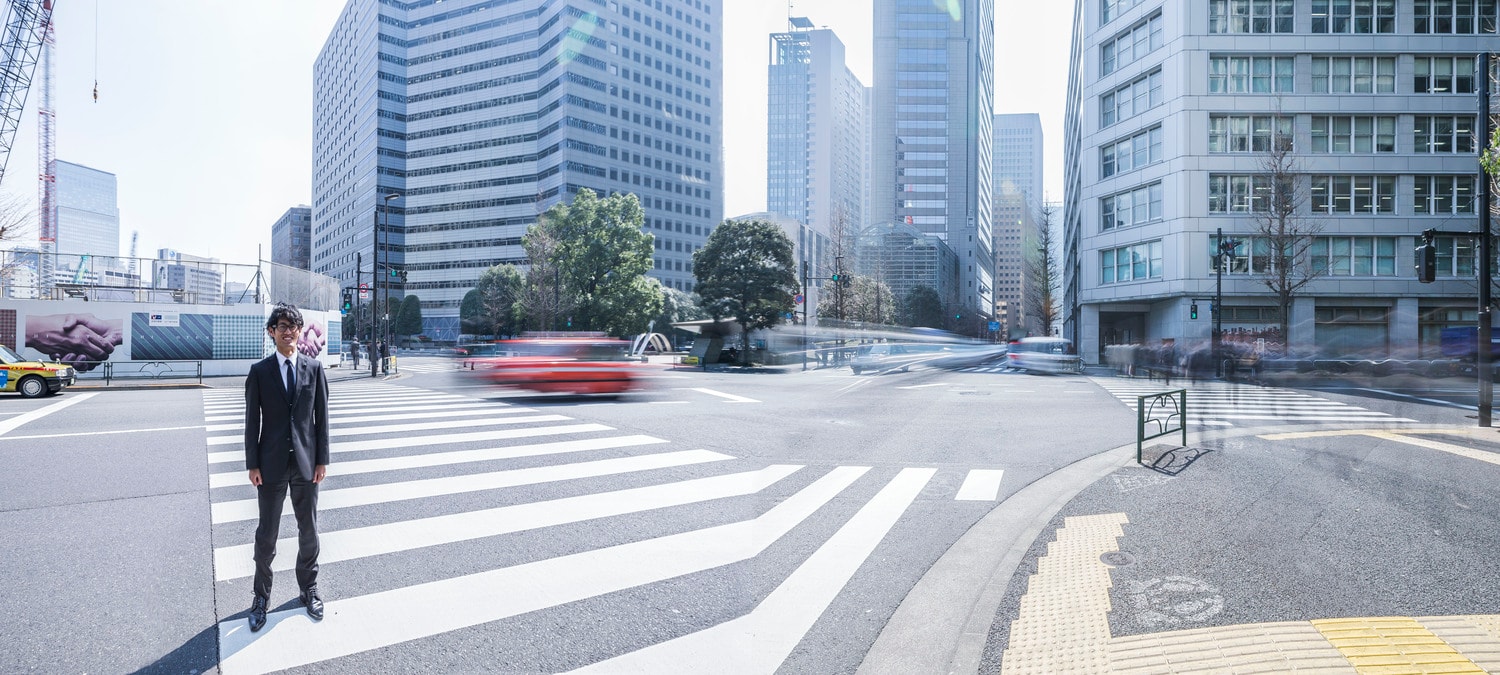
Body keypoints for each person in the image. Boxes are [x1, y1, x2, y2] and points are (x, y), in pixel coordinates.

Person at [244, 304, 330, 631]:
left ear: (299, 331)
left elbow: (321, 420)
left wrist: (322, 460)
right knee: (267, 535)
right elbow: (252, 423)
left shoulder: (314, 368)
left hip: (307, 465)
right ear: (272, 332)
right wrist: (252, 463)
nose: (289, 331)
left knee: (309, 531)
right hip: (270, 466)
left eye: (294, 326)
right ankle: (260, 597)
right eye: (282, 326)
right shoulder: (260, 372)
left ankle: (309, 589)